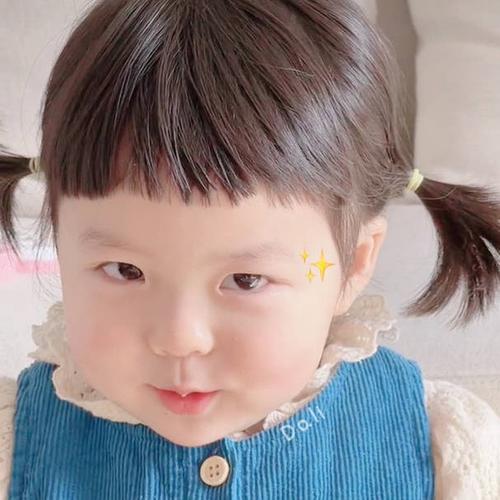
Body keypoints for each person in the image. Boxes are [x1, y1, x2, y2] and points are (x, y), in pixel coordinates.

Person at [1, 0, 499, 498]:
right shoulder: (16, 446)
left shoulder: (437, 452)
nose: (180, 338)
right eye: (125, 270)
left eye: (245, 280)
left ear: (351, 264)